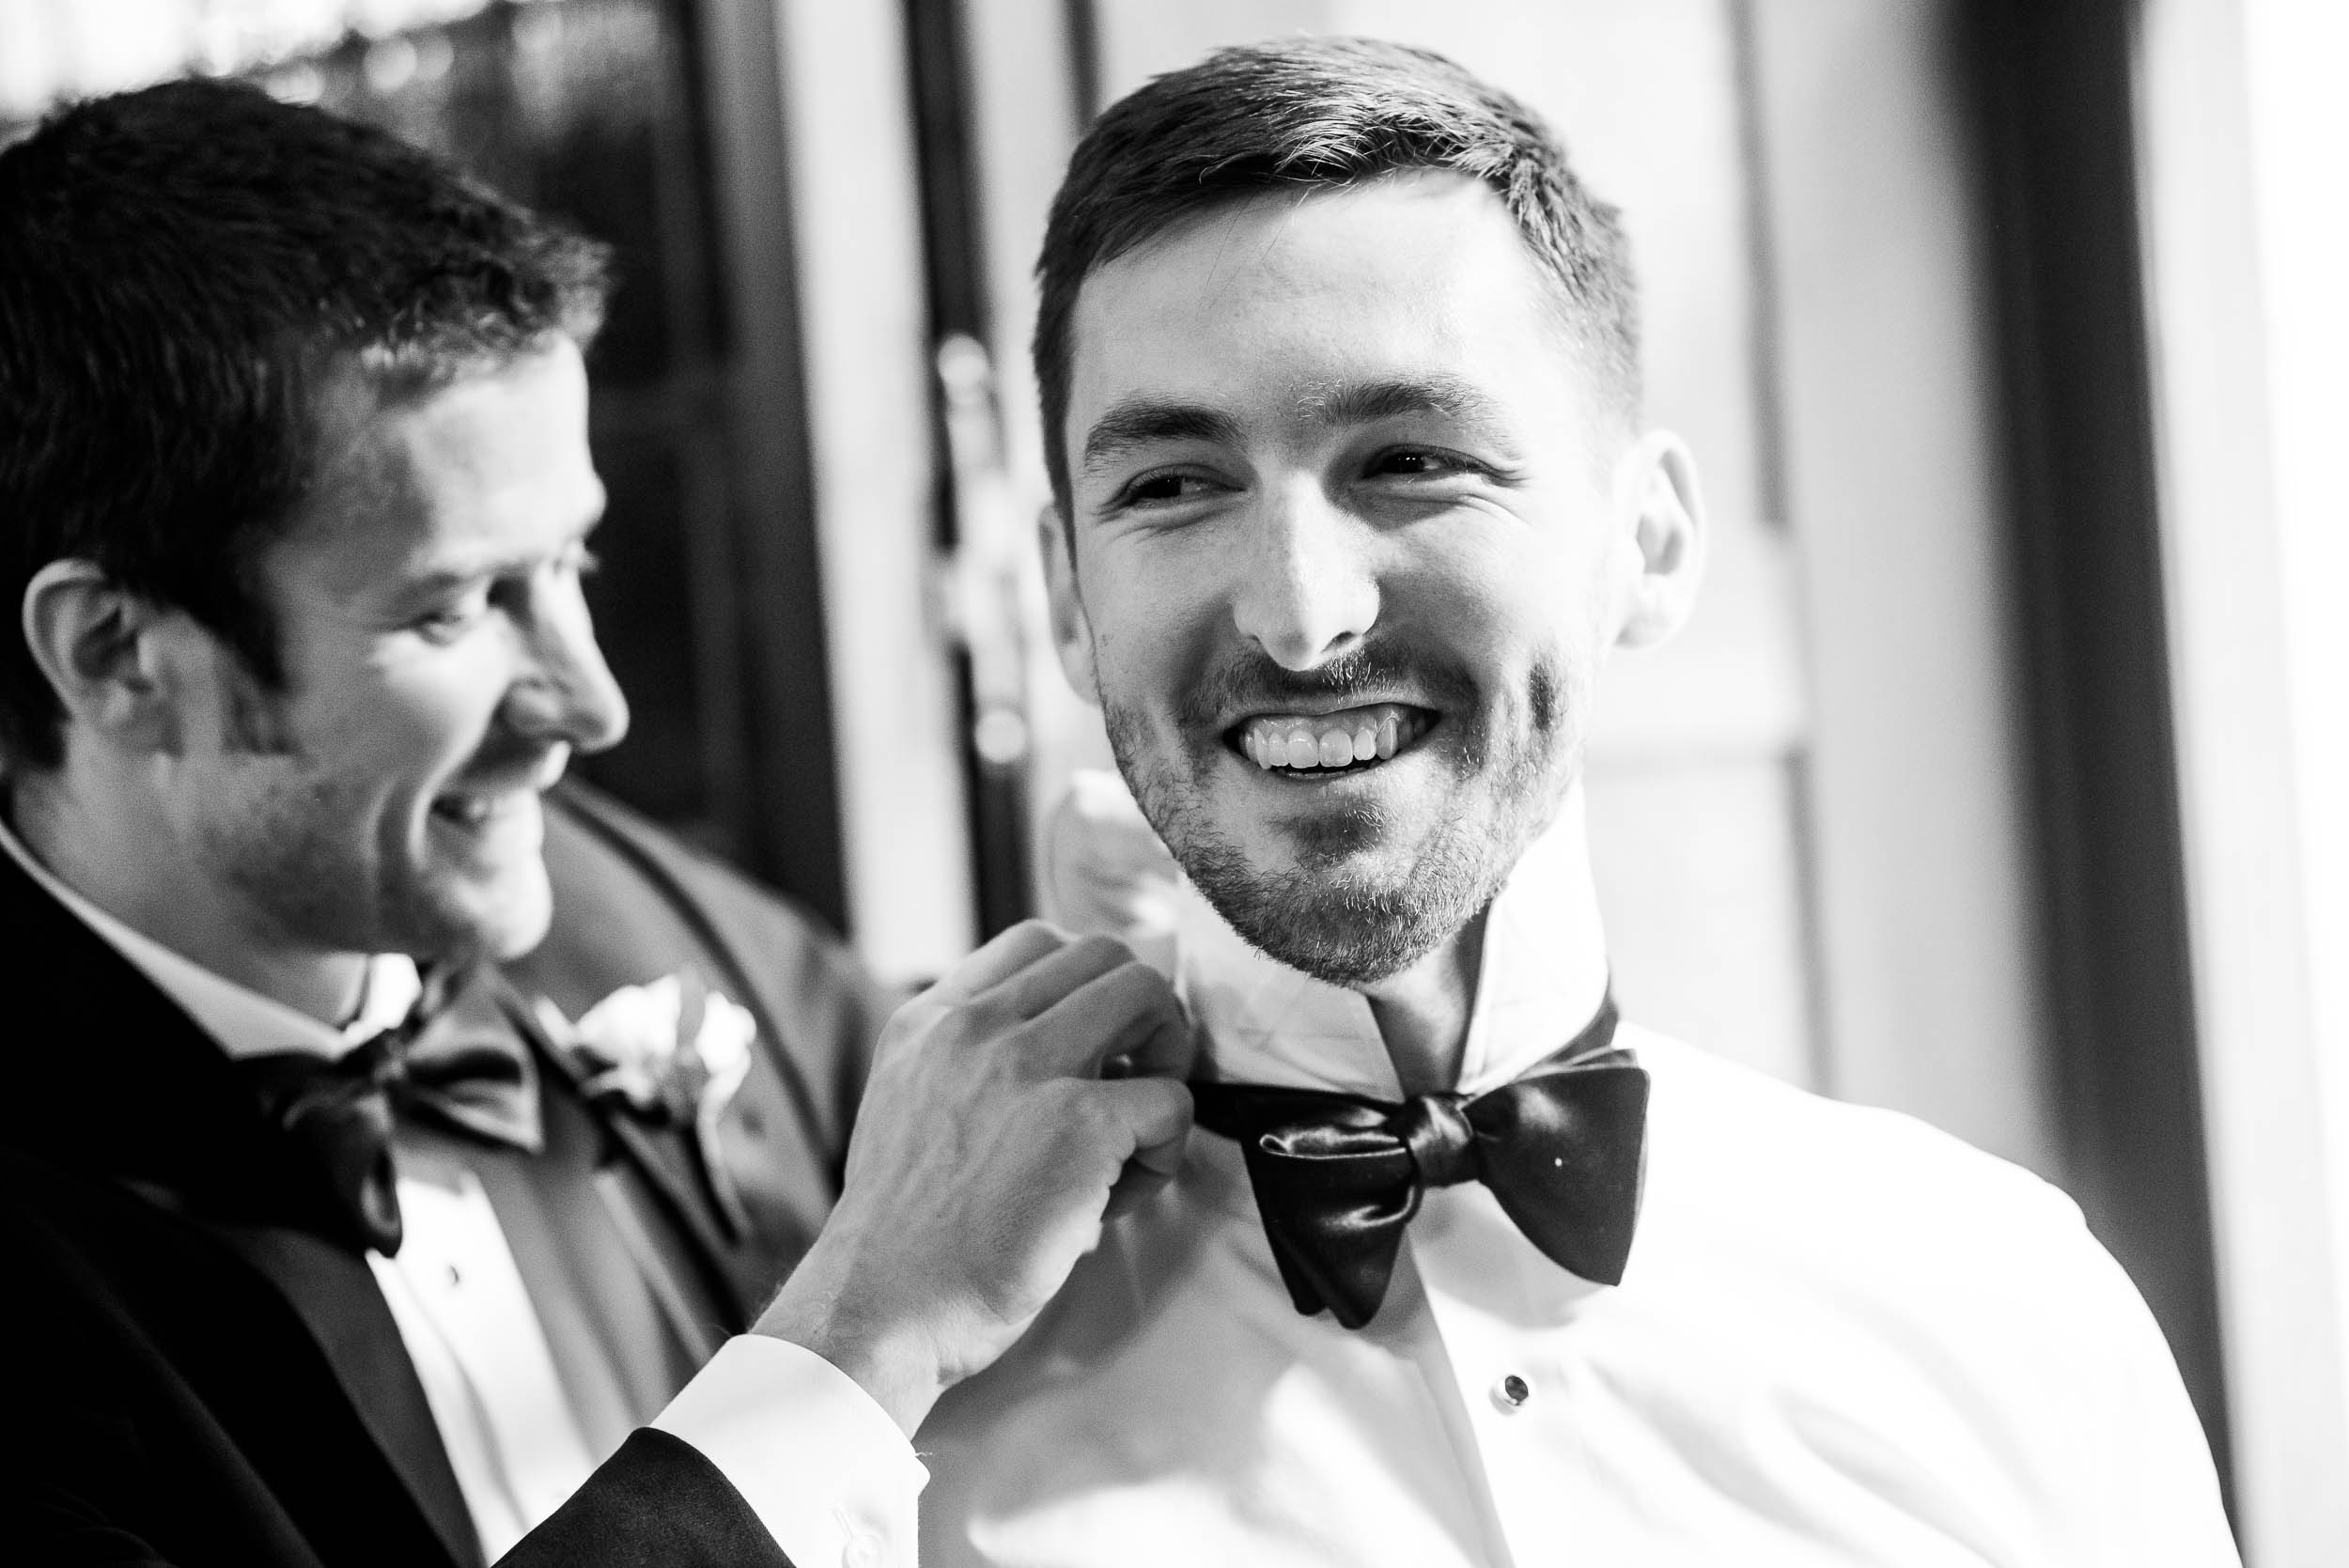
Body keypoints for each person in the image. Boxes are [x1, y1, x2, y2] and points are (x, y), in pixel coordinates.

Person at [907, 37, 2244, 1566]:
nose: (1296, 613)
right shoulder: (904, 1457)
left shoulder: (2008, 1309)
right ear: (1068, 600)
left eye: (1409, 458)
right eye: (1171, 485)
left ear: (1650, 543)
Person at [0, 80, 1190, 1566]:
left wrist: (1144, 977)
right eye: (454, 607)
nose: (592, 701)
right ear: (119, 656)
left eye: (572, 560)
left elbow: (956, 1145)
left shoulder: (595, 896)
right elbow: (900, 1273)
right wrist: (855, 1345)